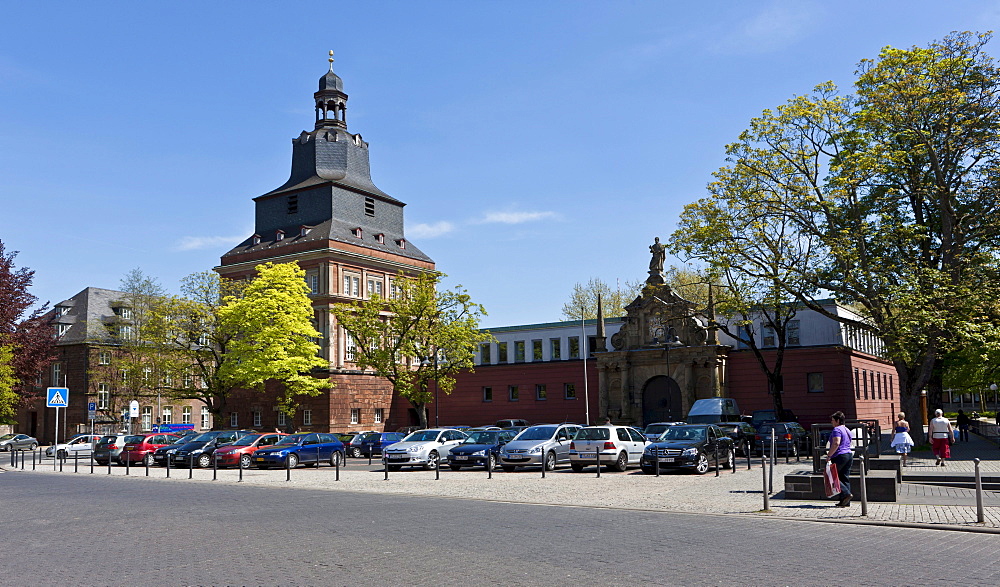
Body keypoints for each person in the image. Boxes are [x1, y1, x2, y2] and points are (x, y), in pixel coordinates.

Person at [826, 411, 853, 507]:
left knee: (833, 477)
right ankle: (845, 501)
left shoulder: (836, 430)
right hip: (849, 455)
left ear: (837, 421)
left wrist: (829, 455)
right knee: (844, 478)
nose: (831, 422)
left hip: (839, 455)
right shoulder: (846, 429)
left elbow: (836, 443)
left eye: (833, 420)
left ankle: (846, 494)